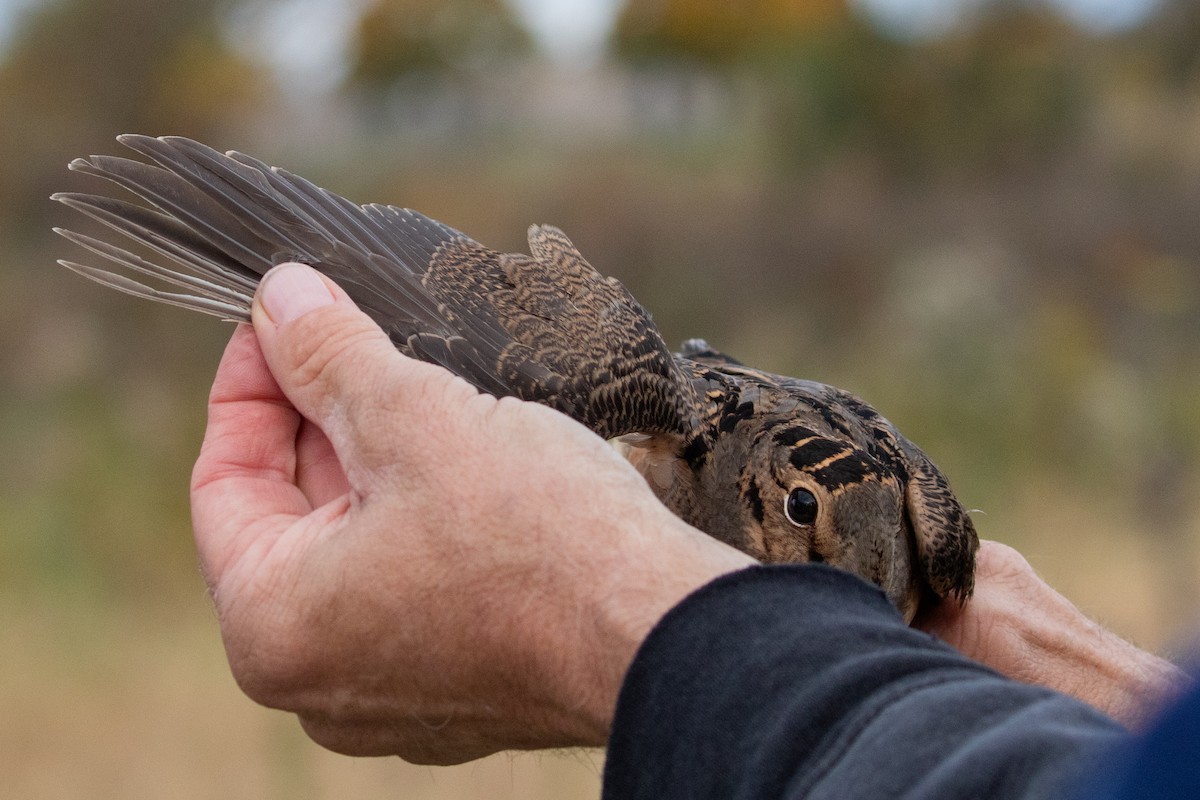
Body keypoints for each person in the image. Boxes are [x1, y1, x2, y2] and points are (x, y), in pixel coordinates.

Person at [191, 262, 1194, 797]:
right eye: (806, 512)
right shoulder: (685, 426)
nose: (845, 592)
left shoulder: (932, 527)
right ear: (776, 489)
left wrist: (614, 631)